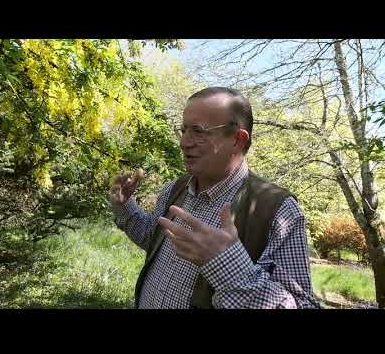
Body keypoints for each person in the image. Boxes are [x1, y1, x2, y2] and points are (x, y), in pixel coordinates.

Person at [110, 87, 320, 309]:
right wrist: (124, 206)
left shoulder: (279, 211)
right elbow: (152, 240)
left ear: (238, 140)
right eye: (184, 130)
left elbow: (303, 304)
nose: (184, 143)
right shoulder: (176, 189)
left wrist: (229, 269)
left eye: (199, 131)